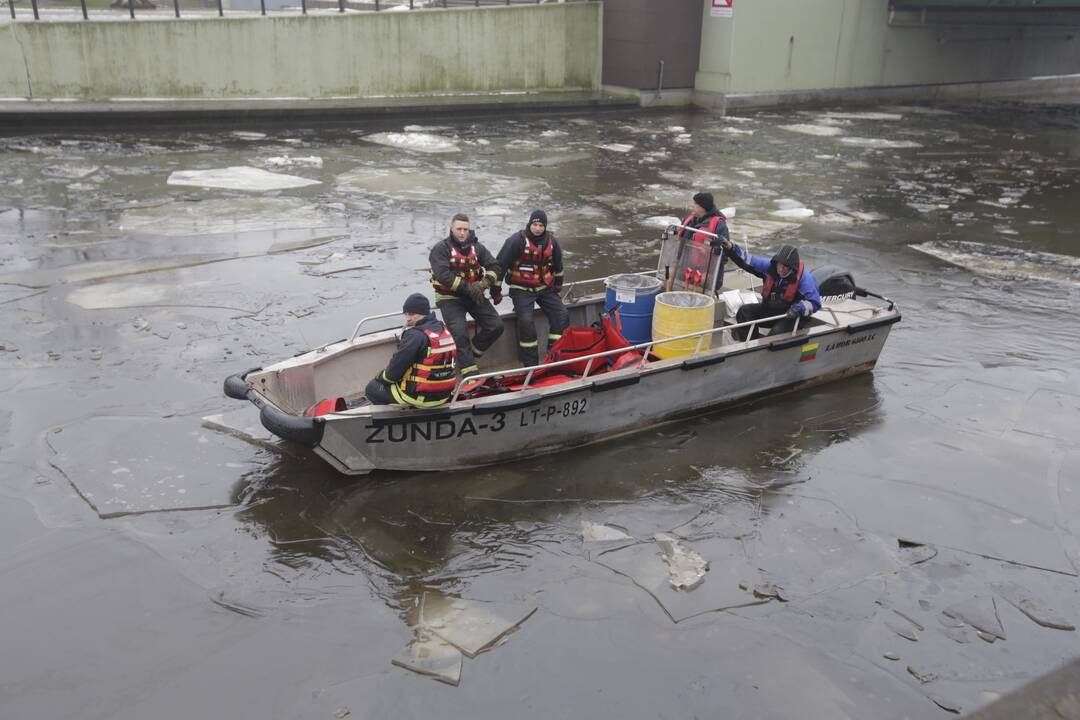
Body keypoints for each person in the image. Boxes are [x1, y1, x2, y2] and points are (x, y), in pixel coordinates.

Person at [429, 213, 504, 377]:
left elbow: (495, 267)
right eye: (459, 229)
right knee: (460, 333)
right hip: (449, 298)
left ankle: (470, 354)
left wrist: (484, 283)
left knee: (496, 326)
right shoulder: (440, 249)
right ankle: (470, 376)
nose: (462, 233)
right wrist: (470, 288)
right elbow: (444, 276)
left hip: (474, 295)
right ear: (451, 229)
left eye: (465, 229)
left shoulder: (478, 248)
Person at [496, 209, 569, 368]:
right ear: (530, 224)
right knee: (526, 322)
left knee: (562, 315)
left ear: (545, 227)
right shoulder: (517, 241)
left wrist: (557, 286)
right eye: (535, 224)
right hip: (521, 289)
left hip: (545, 288)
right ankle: (531, 366)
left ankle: (554, 356)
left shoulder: (552, 242)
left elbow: (558, 266)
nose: (537, 228)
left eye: (541, 225)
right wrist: (496, 292)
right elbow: (499, 266)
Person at [713, 239, 822, 341]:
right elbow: (748, 261)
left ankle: (766, 354)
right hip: (771, 311)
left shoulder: (804, 279)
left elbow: (815, 303)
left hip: (791, 316)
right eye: (779, 265)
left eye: (785, 267)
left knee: (776, 334)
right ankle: (750, 345)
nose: (781, 269)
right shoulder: (770, 267)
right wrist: (731, 248)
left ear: (792, 268)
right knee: (744, 312)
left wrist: (798, 308)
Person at [364, 293, 458, 409]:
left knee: (372, 388)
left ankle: (400, 420)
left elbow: (392, 374)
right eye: (406, 314)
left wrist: (380, 377)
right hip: (444, 394)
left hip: (419, 398)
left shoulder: (415, 335)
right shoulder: (444, 330)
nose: (408, 318)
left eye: (412, 314)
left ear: (423, 313)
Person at [677, 192, 730, 291]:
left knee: (703, 280)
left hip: (707, 270)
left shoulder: (719, 225)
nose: (692, 206)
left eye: (695, 204)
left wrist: (710, 273)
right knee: (672, 273)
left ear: (702, 207)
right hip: (688, 266)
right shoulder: (689, 221)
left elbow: (725, 253)